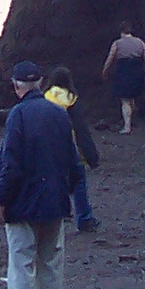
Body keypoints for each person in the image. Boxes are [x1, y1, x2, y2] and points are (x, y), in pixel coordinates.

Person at [0, 61, 81, 289]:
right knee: (50, 265)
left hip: (24, 201)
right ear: (40, 83)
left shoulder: (18, 115)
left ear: (16, 86)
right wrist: (68, 191)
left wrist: (0, 201)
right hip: (54, 200)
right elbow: (72, 160)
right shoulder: (59, 113)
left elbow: (10, 164)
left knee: (21, 265)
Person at [43, 66, 101, 231]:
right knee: (78, 182)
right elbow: (81, 130)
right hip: (70, 145)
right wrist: (91, 156)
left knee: (51, 181)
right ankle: (84, 218)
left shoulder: (45, 98)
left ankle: (52, 215)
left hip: (49, 145)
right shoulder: (71, 99)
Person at [101, 24, 145, 134]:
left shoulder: (117, 43)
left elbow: (110, 58)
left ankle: (127, 127)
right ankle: (131, 118)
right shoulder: (140, 42)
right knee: (131, 97)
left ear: (121, 32)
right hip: (137, 70)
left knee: (125, 100)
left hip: (124, 71)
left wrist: (105, 70)